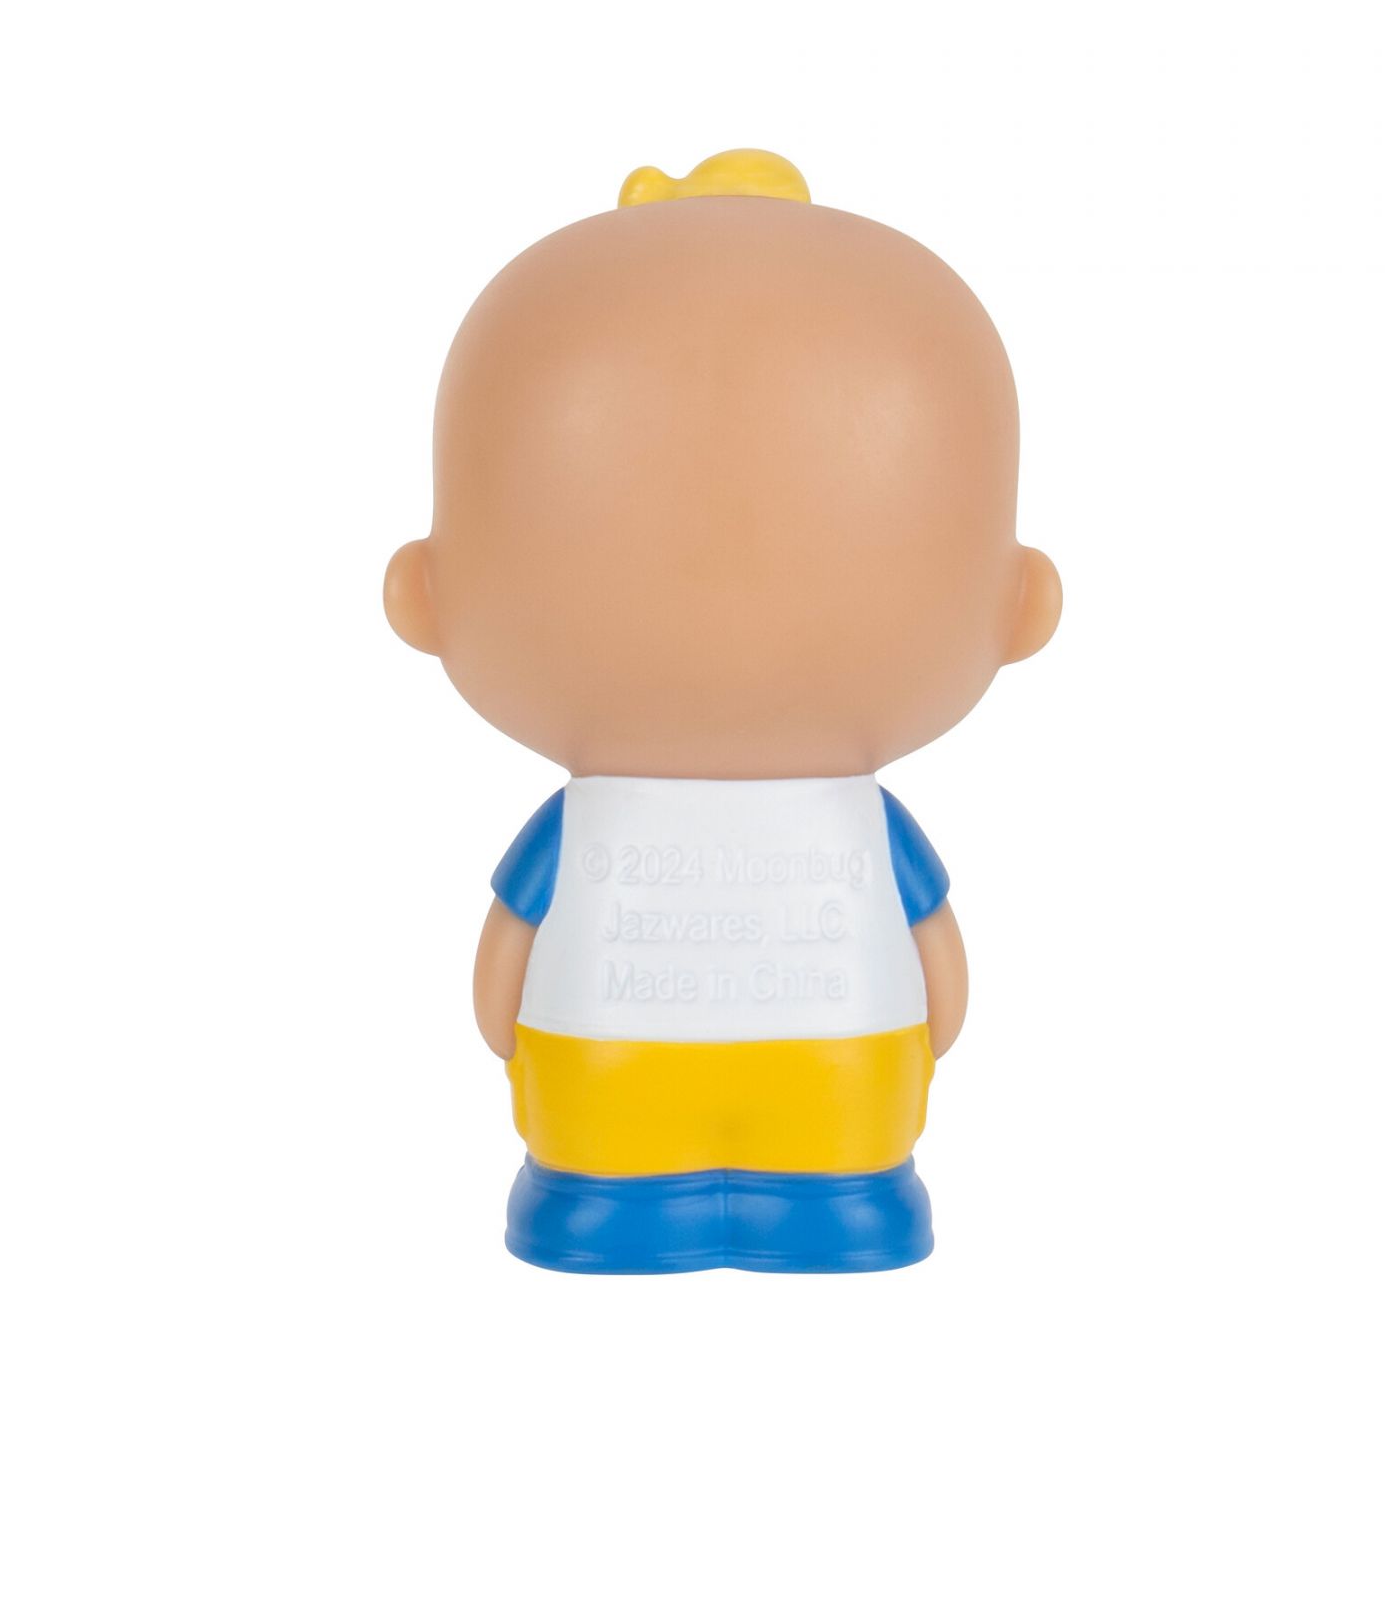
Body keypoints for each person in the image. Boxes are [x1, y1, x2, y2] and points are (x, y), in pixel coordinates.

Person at [384, 150, 1061, 1271]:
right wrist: (939, 1021)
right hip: (833, 1069)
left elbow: (504, 963)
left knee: (648, 1162)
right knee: (792, 1162)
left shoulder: (597, 825)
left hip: (624, 1069)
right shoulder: (848, 825)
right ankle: (812, 1196)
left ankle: (636, 1197)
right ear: (1021, 603)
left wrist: (501, 1022)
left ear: (425, 592)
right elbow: (938, 960)